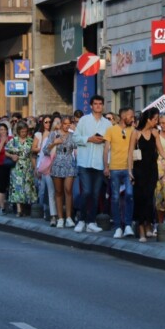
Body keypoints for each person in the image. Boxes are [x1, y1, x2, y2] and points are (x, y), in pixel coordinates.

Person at [72, 95, 110, 233]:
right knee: (86, 192)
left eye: (100, 103)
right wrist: (89, 138)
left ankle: (91, 221)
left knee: (95, 194)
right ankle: (81, 219)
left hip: (99, 163)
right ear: (91, 106)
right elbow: (75, 138)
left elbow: (109, 145)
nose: (98, 106)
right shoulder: (83, 120)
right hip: (84, 161)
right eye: (96, 103)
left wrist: (108, 165)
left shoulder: (107, 123)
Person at [103, 107, 136, 238]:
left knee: (129, 196)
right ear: (123, 116)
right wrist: (106, 166)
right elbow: (106, 149)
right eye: (130, 116)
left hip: (129, 168)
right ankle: (117, 226)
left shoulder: (133, 130)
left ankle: (127, 225)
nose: (132, 118)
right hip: (115, 168)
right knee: (115, 198)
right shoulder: (111, 129)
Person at [131, 109, 160, 242]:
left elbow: (161, 151)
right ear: (148, 119)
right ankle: (141, 228)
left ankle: (148, 224)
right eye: (155, 119)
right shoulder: (136, 133)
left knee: (149, 198)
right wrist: (129, 170)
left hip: (152, 170)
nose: (157, 121)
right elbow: (129, 153)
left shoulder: (155, 133)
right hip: (139, 170)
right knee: (140, 198)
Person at [47, 116, 77, 226]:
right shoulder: (53, 134)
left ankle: (69, 217)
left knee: (68, 190)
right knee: (58, 192)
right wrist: (55, 143)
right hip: (57, 164)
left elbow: (77, 146)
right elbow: (46, 150)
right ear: (61, 124)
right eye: (65, 123)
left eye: (69, 124)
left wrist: (76, 132)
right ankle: (60, 218)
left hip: (69, 163)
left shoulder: (73, 135)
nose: (67, 126)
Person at [5, 122, 38, 216]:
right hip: (17, 167)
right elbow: (5, 151)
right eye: (22, 131)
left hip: (28, 166)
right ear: (18, 131)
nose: (24, 133)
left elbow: (32, 155)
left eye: (25, 131)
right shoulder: (13, 141)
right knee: (17, 187)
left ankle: (26, 207)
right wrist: (12, 156)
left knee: (27, 186)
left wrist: (35, 167)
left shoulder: (30, 141)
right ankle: (19, 209)